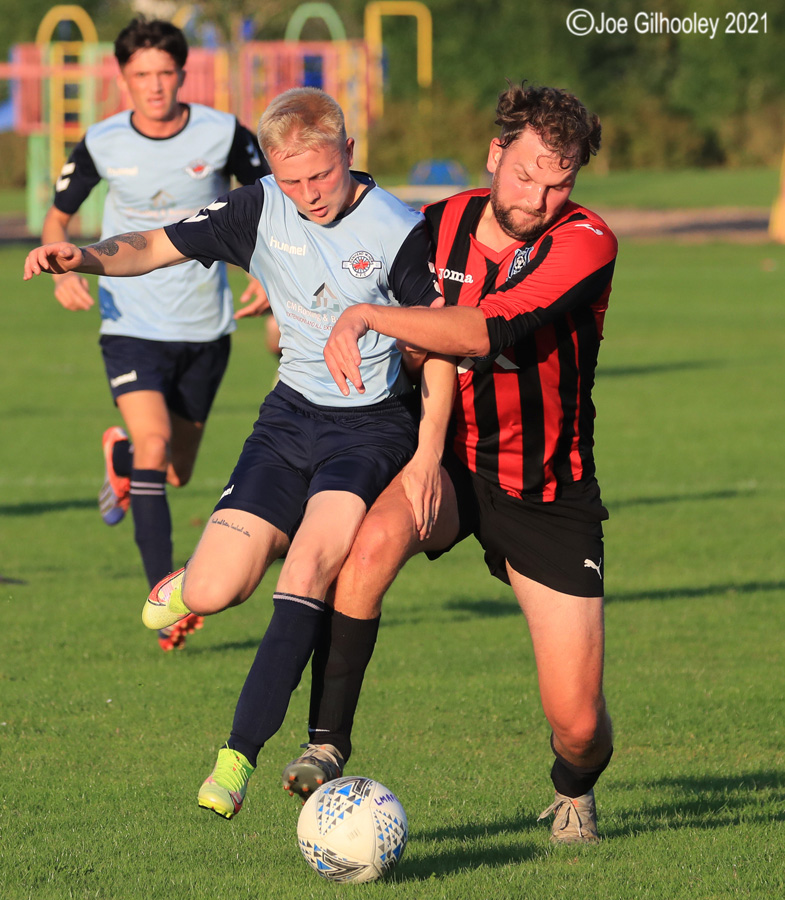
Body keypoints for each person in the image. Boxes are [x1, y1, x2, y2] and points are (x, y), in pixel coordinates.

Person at [24, 87, 453, 819]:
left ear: (349, 152)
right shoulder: (258, 205)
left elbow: (442, 346)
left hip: (370, 429)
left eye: (320, 175)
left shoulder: (397, 229)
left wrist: (425, 456)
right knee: (220, 589)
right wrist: (86, 256)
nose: (308, 195)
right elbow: (155, 244)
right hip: (287, 421)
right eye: (292, 180)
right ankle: (187, 587)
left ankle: (236, 759)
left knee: (313, 566)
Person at [288, 81, 618, 845]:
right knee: (365, 550)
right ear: (496, 153)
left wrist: (372, 317)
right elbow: (351, 254)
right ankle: (326, 743)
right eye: (527, 171)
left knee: (576, 724)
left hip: (544, 490)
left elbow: (482, 331)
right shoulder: (435, 225)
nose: (537, 196)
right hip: (445, 459)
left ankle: (573, 786)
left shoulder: (584, 241)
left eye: (557, 181)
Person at [41, 17, 271, 650]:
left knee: (176, 469)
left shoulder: (223, 133)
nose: (155, 85)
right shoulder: (102, 140)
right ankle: (164, 600)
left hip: (205, 326)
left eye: (165, 72)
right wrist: (61, 269)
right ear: (124, 78)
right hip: (130, 322)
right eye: (141, 74)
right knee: (155, 441)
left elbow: (271, 203)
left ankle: (117, 459)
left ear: (182, 73)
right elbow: (58, 219)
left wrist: (271, 276)